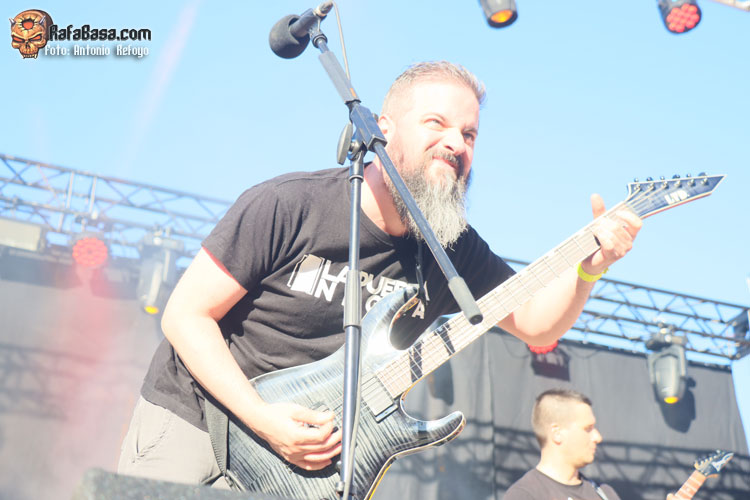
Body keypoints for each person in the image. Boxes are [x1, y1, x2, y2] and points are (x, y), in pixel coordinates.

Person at [117, 61, 642, 488]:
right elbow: (185, 316)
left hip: (303, 462)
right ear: (383, 130)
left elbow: (537, 324)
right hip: (198, 416)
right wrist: (262, 418)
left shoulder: (454, 250)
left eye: (469, 133)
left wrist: (588, 268)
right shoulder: (290, 204)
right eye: (436, 123)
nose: (457, 143)